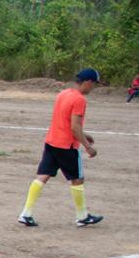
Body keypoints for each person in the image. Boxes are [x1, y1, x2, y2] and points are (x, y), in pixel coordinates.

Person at [19, 68, 103, 228]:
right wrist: (87, 146)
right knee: (77, 179)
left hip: (52, 141)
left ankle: (26, 213)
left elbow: (64, 121)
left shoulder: (63, 93)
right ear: (88, 82)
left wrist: (85, 135)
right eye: (94, 84)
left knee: (43, 176)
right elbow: (74, 126)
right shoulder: (79, 100)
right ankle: (82, 216)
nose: (93, 88)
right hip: (67, 145)